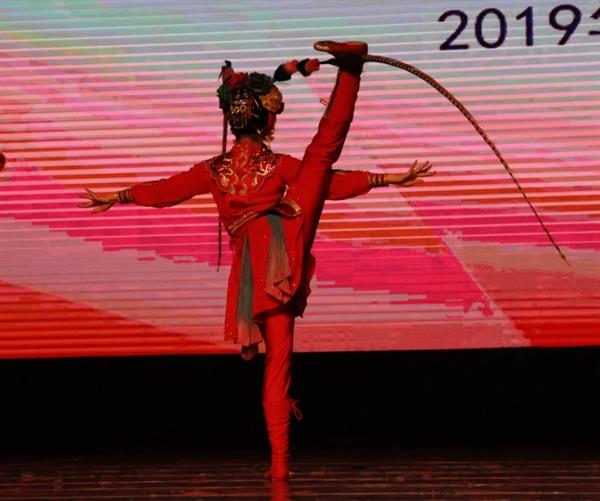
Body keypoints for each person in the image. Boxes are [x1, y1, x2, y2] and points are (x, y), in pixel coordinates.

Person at [79, 40, 434, 480]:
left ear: (233, 121)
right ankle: (351, 70)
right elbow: (325, 183)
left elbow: (164, 191)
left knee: (276, 366)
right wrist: (385, 178)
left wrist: (118, 196)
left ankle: (280, 466)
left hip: (256, 269)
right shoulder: (276, 164)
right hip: (285, 239)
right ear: (266, 120)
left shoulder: (213, 170)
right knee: (321, 153)